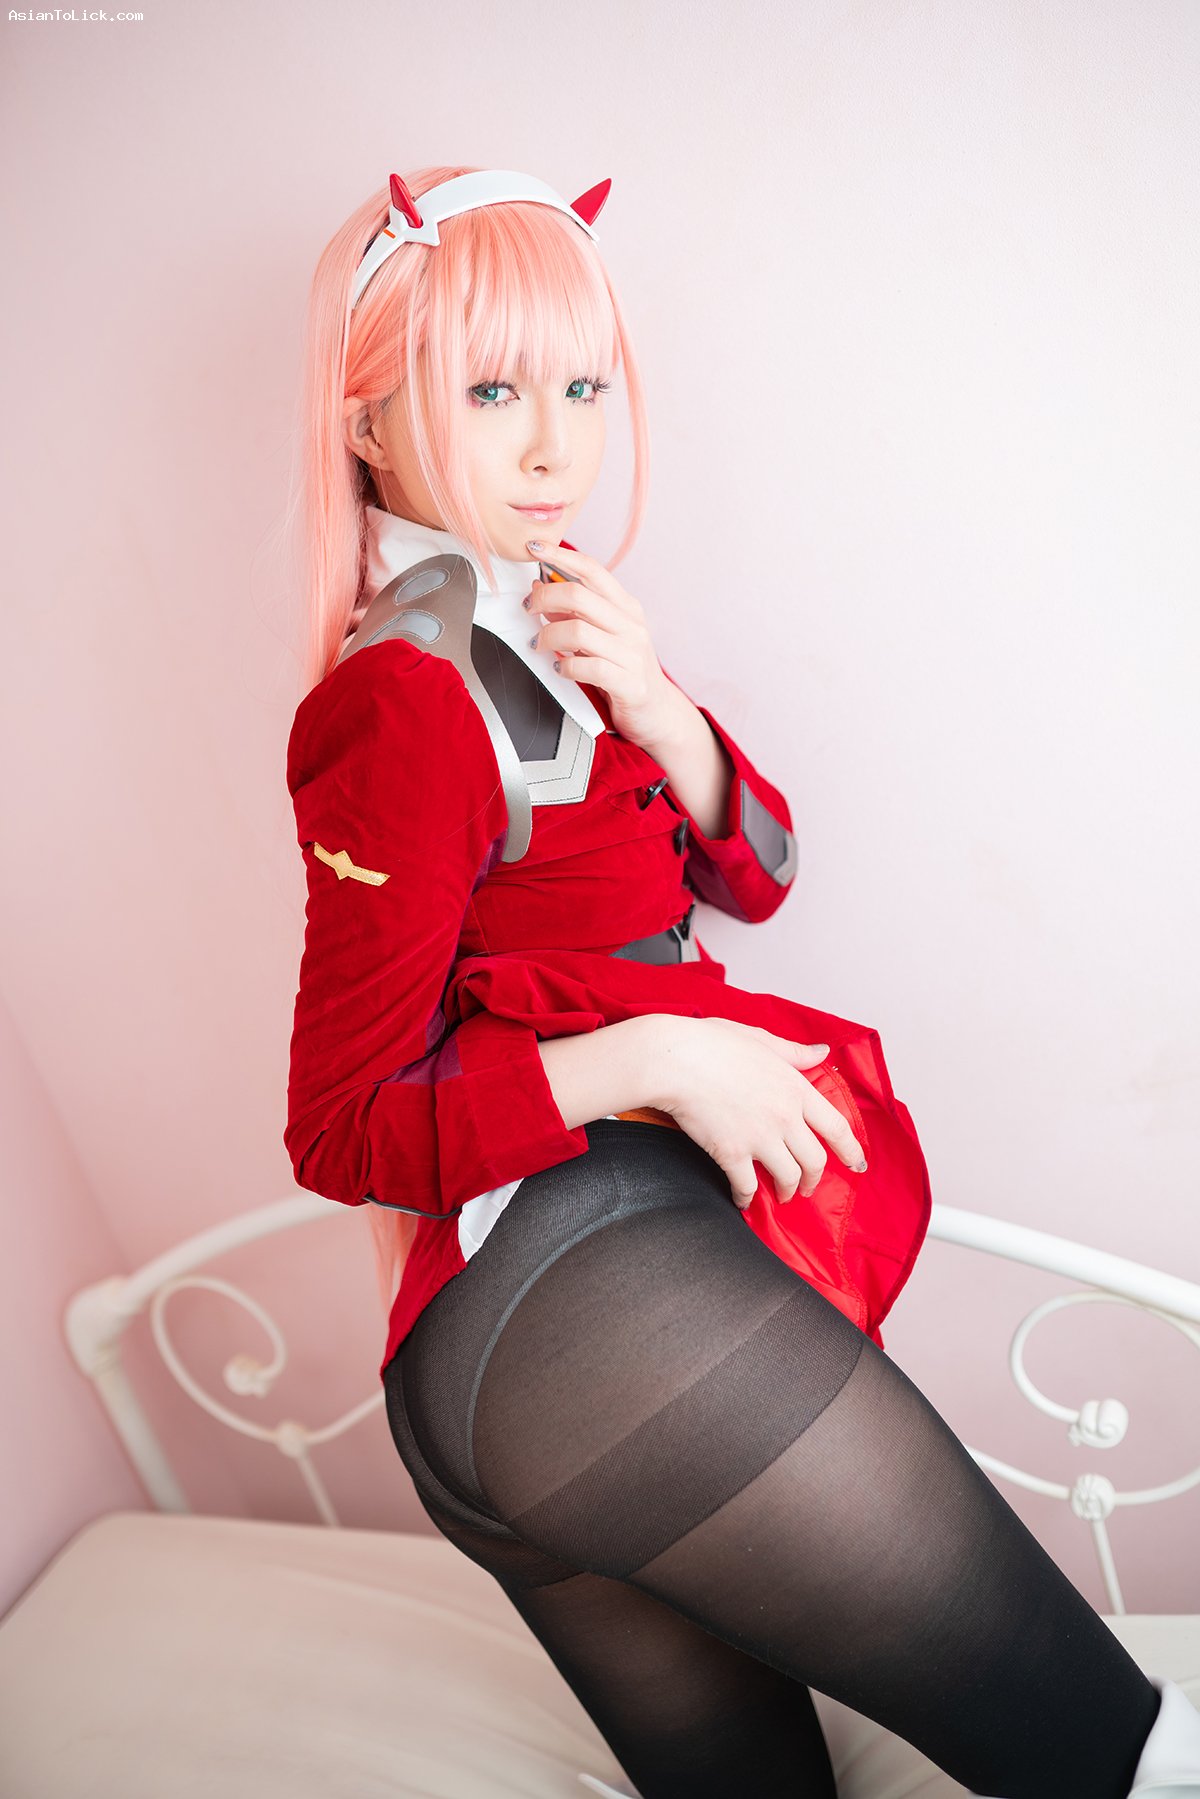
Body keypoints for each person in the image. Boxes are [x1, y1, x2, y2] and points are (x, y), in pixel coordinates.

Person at [283, 165, 1200, 1799]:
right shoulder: (404, 694)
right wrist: (652, 1058)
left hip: (564, 1340)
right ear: (367, 422)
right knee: (1116, 1755)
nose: (556, 448)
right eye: (491, 394)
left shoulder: (554, 611)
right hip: (564, 1294)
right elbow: (341, 1129)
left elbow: (757, 873)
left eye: (583, 389)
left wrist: (662, 711)